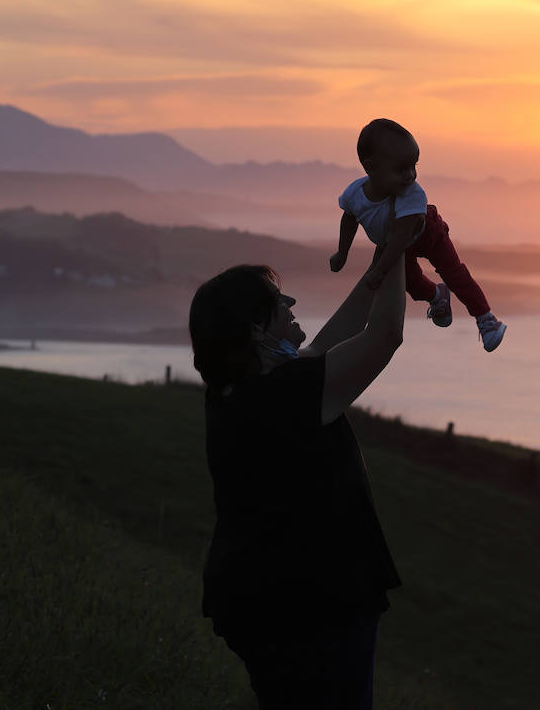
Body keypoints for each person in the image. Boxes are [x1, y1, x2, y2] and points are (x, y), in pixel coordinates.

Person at [189, 231, 409, 709]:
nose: (290, 303)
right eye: (275, 302)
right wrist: (399, 255)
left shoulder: (237, 393)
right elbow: (384, 336)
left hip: (259, 599)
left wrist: (379, 267)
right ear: (254, 330)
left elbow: (328, 344)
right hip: (313, 603)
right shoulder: (285, 395)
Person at [331, 117, 507, 352]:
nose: (411, 175)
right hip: (397, 244)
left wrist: (380, 271)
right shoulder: (354, 193)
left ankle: (486, 320)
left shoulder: (412, 194)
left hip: (428, 234)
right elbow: (349, 218)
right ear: (371, 167)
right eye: (401, 169)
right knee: (411, 284)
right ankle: (437, 295)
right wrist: (342, 252)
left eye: (414, 166)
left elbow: (401, 235)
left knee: (455, 274)